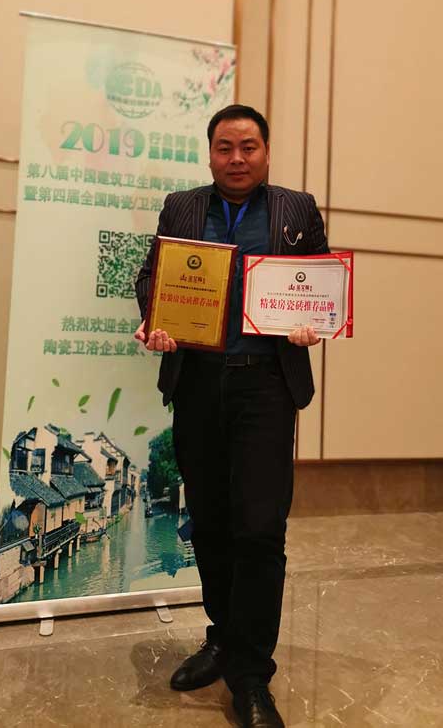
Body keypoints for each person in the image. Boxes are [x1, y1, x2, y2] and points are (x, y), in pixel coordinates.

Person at [135, 104, 328, 728]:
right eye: (225, 147)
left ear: (266, 151)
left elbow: (319, 283)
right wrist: (153, 318)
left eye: (248, 146)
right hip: (198, 384)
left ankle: (250, 673)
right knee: (211, 522)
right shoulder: (182, 207)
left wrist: (314, 325)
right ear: (210, 152)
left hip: (266, 387)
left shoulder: (297, 210)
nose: (237, 158)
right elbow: (151, 278)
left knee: (261, 528)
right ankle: (221, 637)